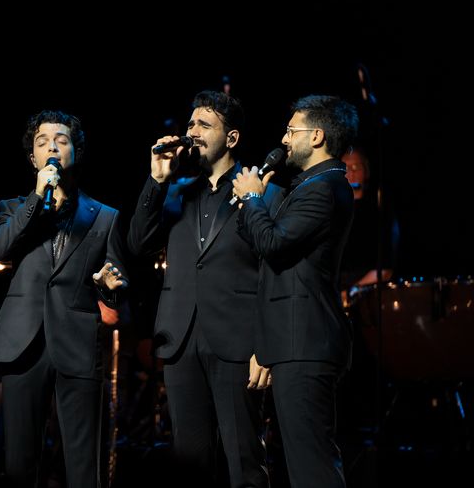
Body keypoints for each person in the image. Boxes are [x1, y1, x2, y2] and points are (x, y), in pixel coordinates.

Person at [127, 89, 271, 487]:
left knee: (245, 461)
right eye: (190, 123)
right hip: (180, 340)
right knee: (190, 464)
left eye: (205, 125)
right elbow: (137, 244)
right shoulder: (174, 192)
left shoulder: (259, 190)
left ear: (232, 137)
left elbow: (272, 272)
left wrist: (266, 346)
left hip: (237, 342)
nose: (192, 131)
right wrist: (157, 179)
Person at [0, 109, 128, 488]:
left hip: (77, 344)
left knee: (83, 466)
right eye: (43, 142)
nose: (52, 147)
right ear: (33, 158)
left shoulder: (105, 217)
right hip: (22, 343)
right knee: (19, 464)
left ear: (75, 152)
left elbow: (116, 288)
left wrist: (109, 288)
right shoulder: (13, 208)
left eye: (61, 141)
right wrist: (37, 197)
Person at [231, 94, 358, 488]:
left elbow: (273, 244)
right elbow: (264, 245)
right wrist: (252, 205)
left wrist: (253, 197)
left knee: (312, 465)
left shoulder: (324, 188)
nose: (284, 140)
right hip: (294, 342)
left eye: (291, 131)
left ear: (316, 136)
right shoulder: (310, 187)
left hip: (306, 341)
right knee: (301, 462)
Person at [339, 145, 399, 293]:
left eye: (356, 167)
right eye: (346, 168)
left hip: (368, 291)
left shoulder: (380, 211)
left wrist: (353, 291)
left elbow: (386, 268)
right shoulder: (329, 210)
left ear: (366, 171)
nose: (351, 173)